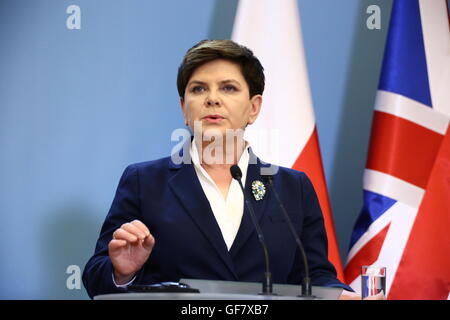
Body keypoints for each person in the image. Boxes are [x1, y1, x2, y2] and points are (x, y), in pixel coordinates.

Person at [82, 39, 373, 300]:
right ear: (184, 108)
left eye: (228, 88)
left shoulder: (292, 187)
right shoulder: (144, 181)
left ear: (254, 107)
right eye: (198, 89)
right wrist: (122, 274)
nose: (212, 98)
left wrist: (339, 297)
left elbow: (315, 275)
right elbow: (96, 278)